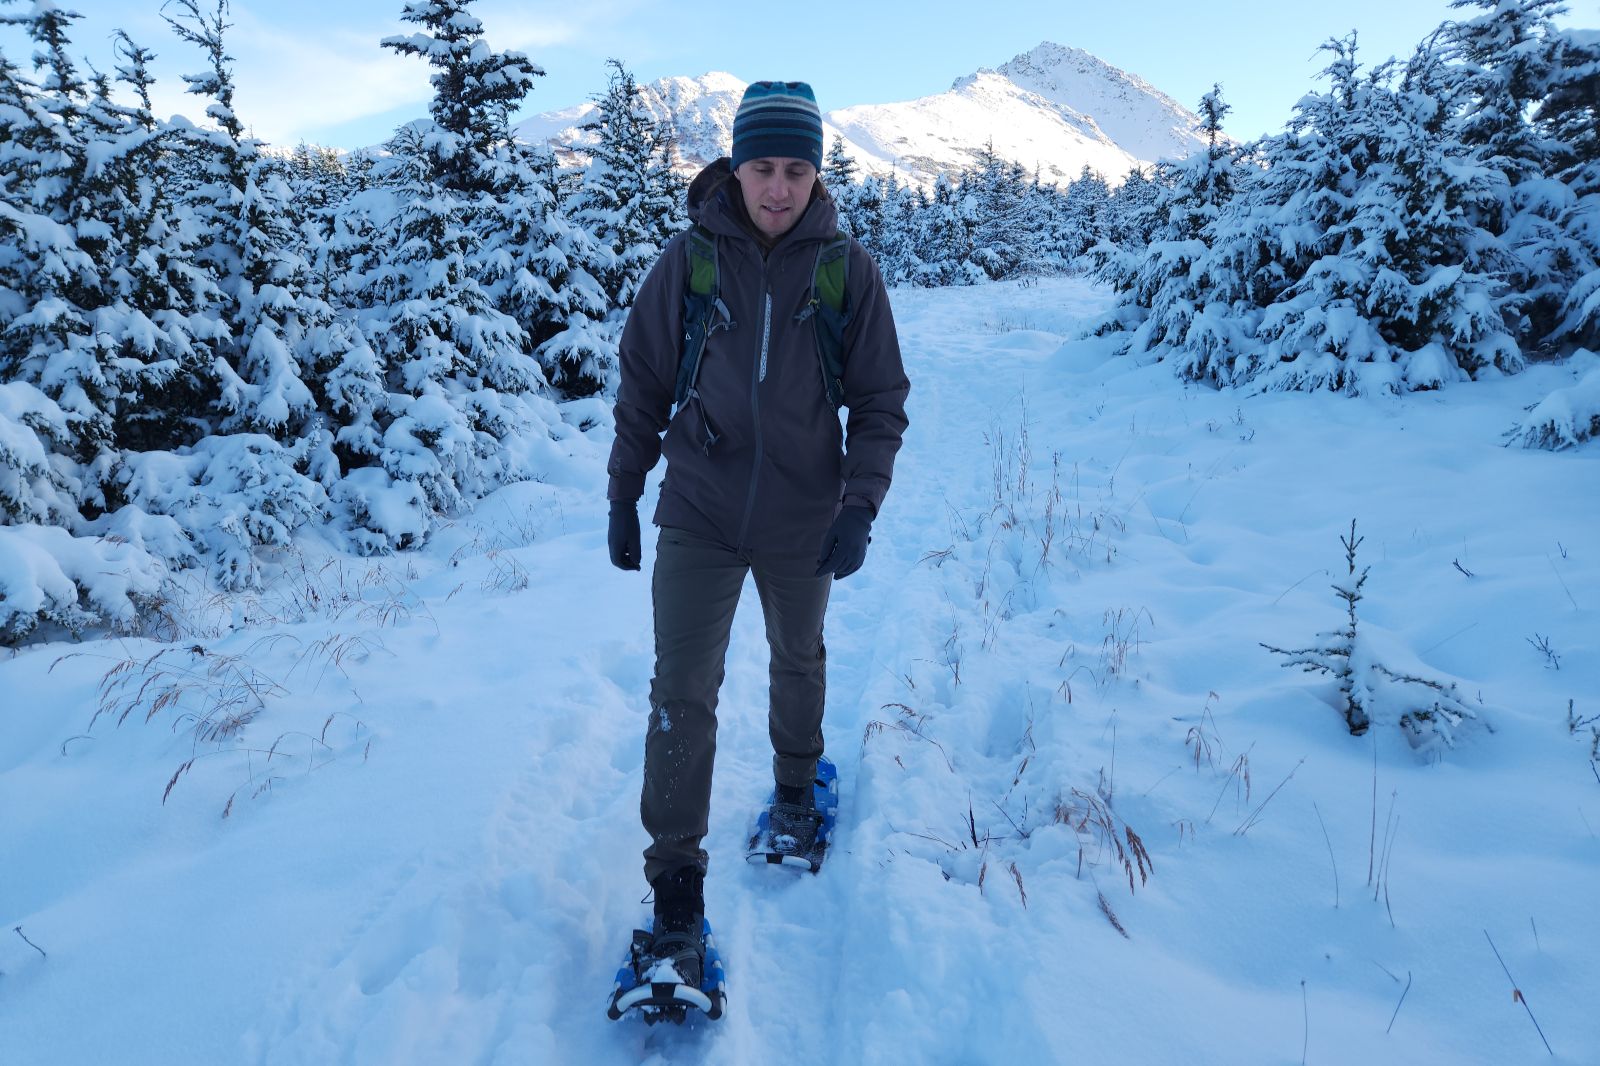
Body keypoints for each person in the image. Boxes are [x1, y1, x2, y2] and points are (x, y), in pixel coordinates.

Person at [604, 80, 911, 991]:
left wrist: (859, 504)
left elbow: (880, 401)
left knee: (797, 655)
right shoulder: (688, 261)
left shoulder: (845, 270)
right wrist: (625, 492)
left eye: (795, 168)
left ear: (816, 172)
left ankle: (793, 792)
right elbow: (641, 384)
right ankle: (675, 899)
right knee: (681, 693)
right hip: (699, 509)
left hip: (801, 512)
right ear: (734, 167)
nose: (777, 187)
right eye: (761, 167)